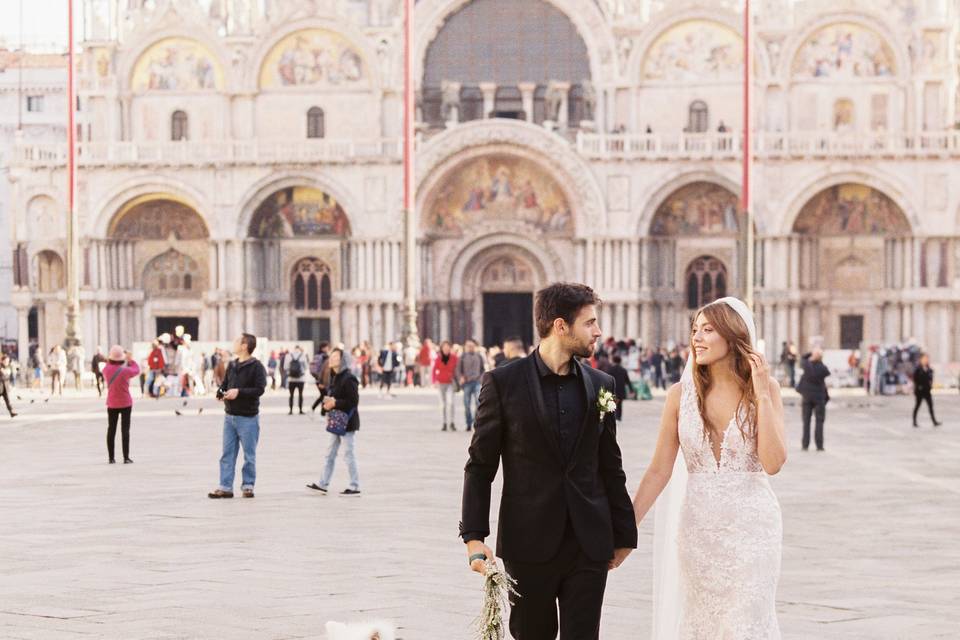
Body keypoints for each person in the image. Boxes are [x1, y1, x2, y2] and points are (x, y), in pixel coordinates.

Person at [461, 283, 636, 639]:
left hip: (589, 541)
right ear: (560, 326)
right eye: (589, 323)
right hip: (528, 541)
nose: (598, 331)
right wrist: (474, 537)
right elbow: (480, 465)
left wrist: (624, 534)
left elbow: (610, 466)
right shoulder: (502, 383)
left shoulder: (601, 384)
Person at [631, 297, 786, 639]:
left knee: (747, 622)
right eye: (694, 330)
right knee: (704, 624)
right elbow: (659, 470)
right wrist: (626, 527)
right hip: (698, 532)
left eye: (708, 329)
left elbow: (773, 463)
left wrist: (760, 394)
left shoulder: (766, 390)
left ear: (733, 336)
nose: (697, 338)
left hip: (753, 530)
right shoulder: (678, 396)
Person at [209, 333, 267, 499]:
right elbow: (226, 384)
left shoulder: (257, 366)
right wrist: (220, 393)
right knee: (227, 454)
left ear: (244, 346)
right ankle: (225, 487)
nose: (233, 344)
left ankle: (248, 485)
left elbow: (260, 389)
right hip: (230, 416)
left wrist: (239, 392)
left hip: (248, 417)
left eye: (236, 341)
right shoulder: (233, 365)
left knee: (249, 454)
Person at [306, 348, 362, 496]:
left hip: (347, 422)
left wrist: (335, 403)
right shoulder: (335, 376)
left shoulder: (349, 378)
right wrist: (328, 404)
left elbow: (353, 402)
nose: (332, 359)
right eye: (331, 356)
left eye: (336, 357)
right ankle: (323, 484)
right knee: (330, 453)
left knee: (349, 454)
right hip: (337, 421)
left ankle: (355, 486)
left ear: (343, 360)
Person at [102, 346, 141, 464]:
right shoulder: (126, 371)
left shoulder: (106, 369)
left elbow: (108, 364)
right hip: (125, 403)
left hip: (112, 403)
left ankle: (111, 458)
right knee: (125, 430)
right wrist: (130, 360)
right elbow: (137, 370)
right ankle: (126, 457)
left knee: (111, 430)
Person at [797, 347, 831, 451]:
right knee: (819, 421)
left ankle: (805, 444)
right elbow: (827, 372)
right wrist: (817, 356)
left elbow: (802, 358)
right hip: (819, 397)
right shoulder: (822, 368)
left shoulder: (807, 365)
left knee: (806, 421)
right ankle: (819, 445)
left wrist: (810, 354)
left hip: (807, 397)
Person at [455, 339, 485, 431]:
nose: (470, 347)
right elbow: (458, 370)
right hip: (467, 383)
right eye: (468, 346)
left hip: (477, 382)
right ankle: (468, 423)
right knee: (467, 404)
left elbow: (483, 369)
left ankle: (476, 422)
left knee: (478, 402)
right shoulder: (462, 356)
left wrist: (481, 379)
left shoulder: (479, 356)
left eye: (472, 346)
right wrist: (460, 378)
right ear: (465, 347)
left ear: (475, 347)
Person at [433, 341, 458, 431]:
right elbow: (434, 369)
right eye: (444, 347)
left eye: (448, 347)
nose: (446, 349)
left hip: (450, 382)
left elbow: (457, 369)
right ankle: (444, 422)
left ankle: (452, 422)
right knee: (443, 404)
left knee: (451, 403)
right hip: (441, 382)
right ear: (442, 348)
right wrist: (434, 380)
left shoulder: (454, 358)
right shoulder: (438, 358)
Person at [911, 353, 941, 428]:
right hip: (919, 391)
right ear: (921, 359)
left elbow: (931, 378)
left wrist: (930, 385)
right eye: (924, 358)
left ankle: (934, 421)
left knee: (931, 406)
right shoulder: (918, 369)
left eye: (927, 359)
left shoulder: (929, 369)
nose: (926, 360)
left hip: (927, 391)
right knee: (917, 406)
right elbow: (915, 379)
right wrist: (918, 386)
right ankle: (914, 421)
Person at [284, 345, 309, 415]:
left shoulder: (288, 355)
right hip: (301, 379)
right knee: (301, 394)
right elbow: (306, 367)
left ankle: (291, 410)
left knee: (291, 395)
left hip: (291, 379)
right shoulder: (303, 355)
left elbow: (285, 367)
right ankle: (300, 410)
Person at [607, 354, 632, 421]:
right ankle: (619, 416)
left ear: (613, 361)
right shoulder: (623, 370)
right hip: (621, 389)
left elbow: (607, 380)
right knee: (620, 404)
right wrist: (631, 389)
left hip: (613, 389)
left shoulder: (611, 369)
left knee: (613, 403)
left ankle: (614, 416)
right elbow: (628, 381)